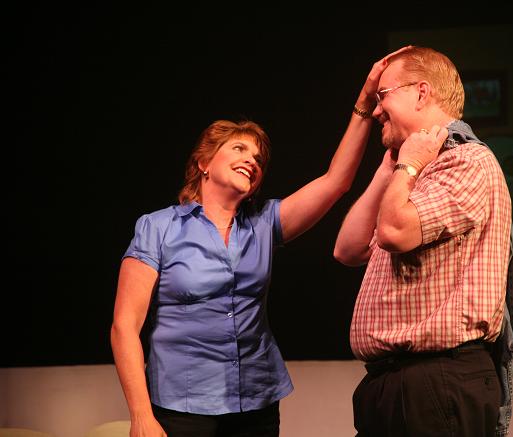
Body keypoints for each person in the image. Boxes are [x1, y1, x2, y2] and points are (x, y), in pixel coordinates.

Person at [110, 47, 413, 437]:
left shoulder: (264, 222)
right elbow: (124, 326)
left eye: (258, 157)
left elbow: (335, 181)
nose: (252, 160)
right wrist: (140, 414)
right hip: (182, 406)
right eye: (239, 149)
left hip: (256, 404)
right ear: (204, 162)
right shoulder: (158, 227)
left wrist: (363, 104)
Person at [334, 46, 513, 437]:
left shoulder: (465, 161)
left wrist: (408, 164)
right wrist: (390, 170)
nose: (376, 111)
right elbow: (347, 249)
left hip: (437, 380)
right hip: (397, 382)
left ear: (421, 93)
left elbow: (393, 232)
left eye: (382, 96)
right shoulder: (410, 170)